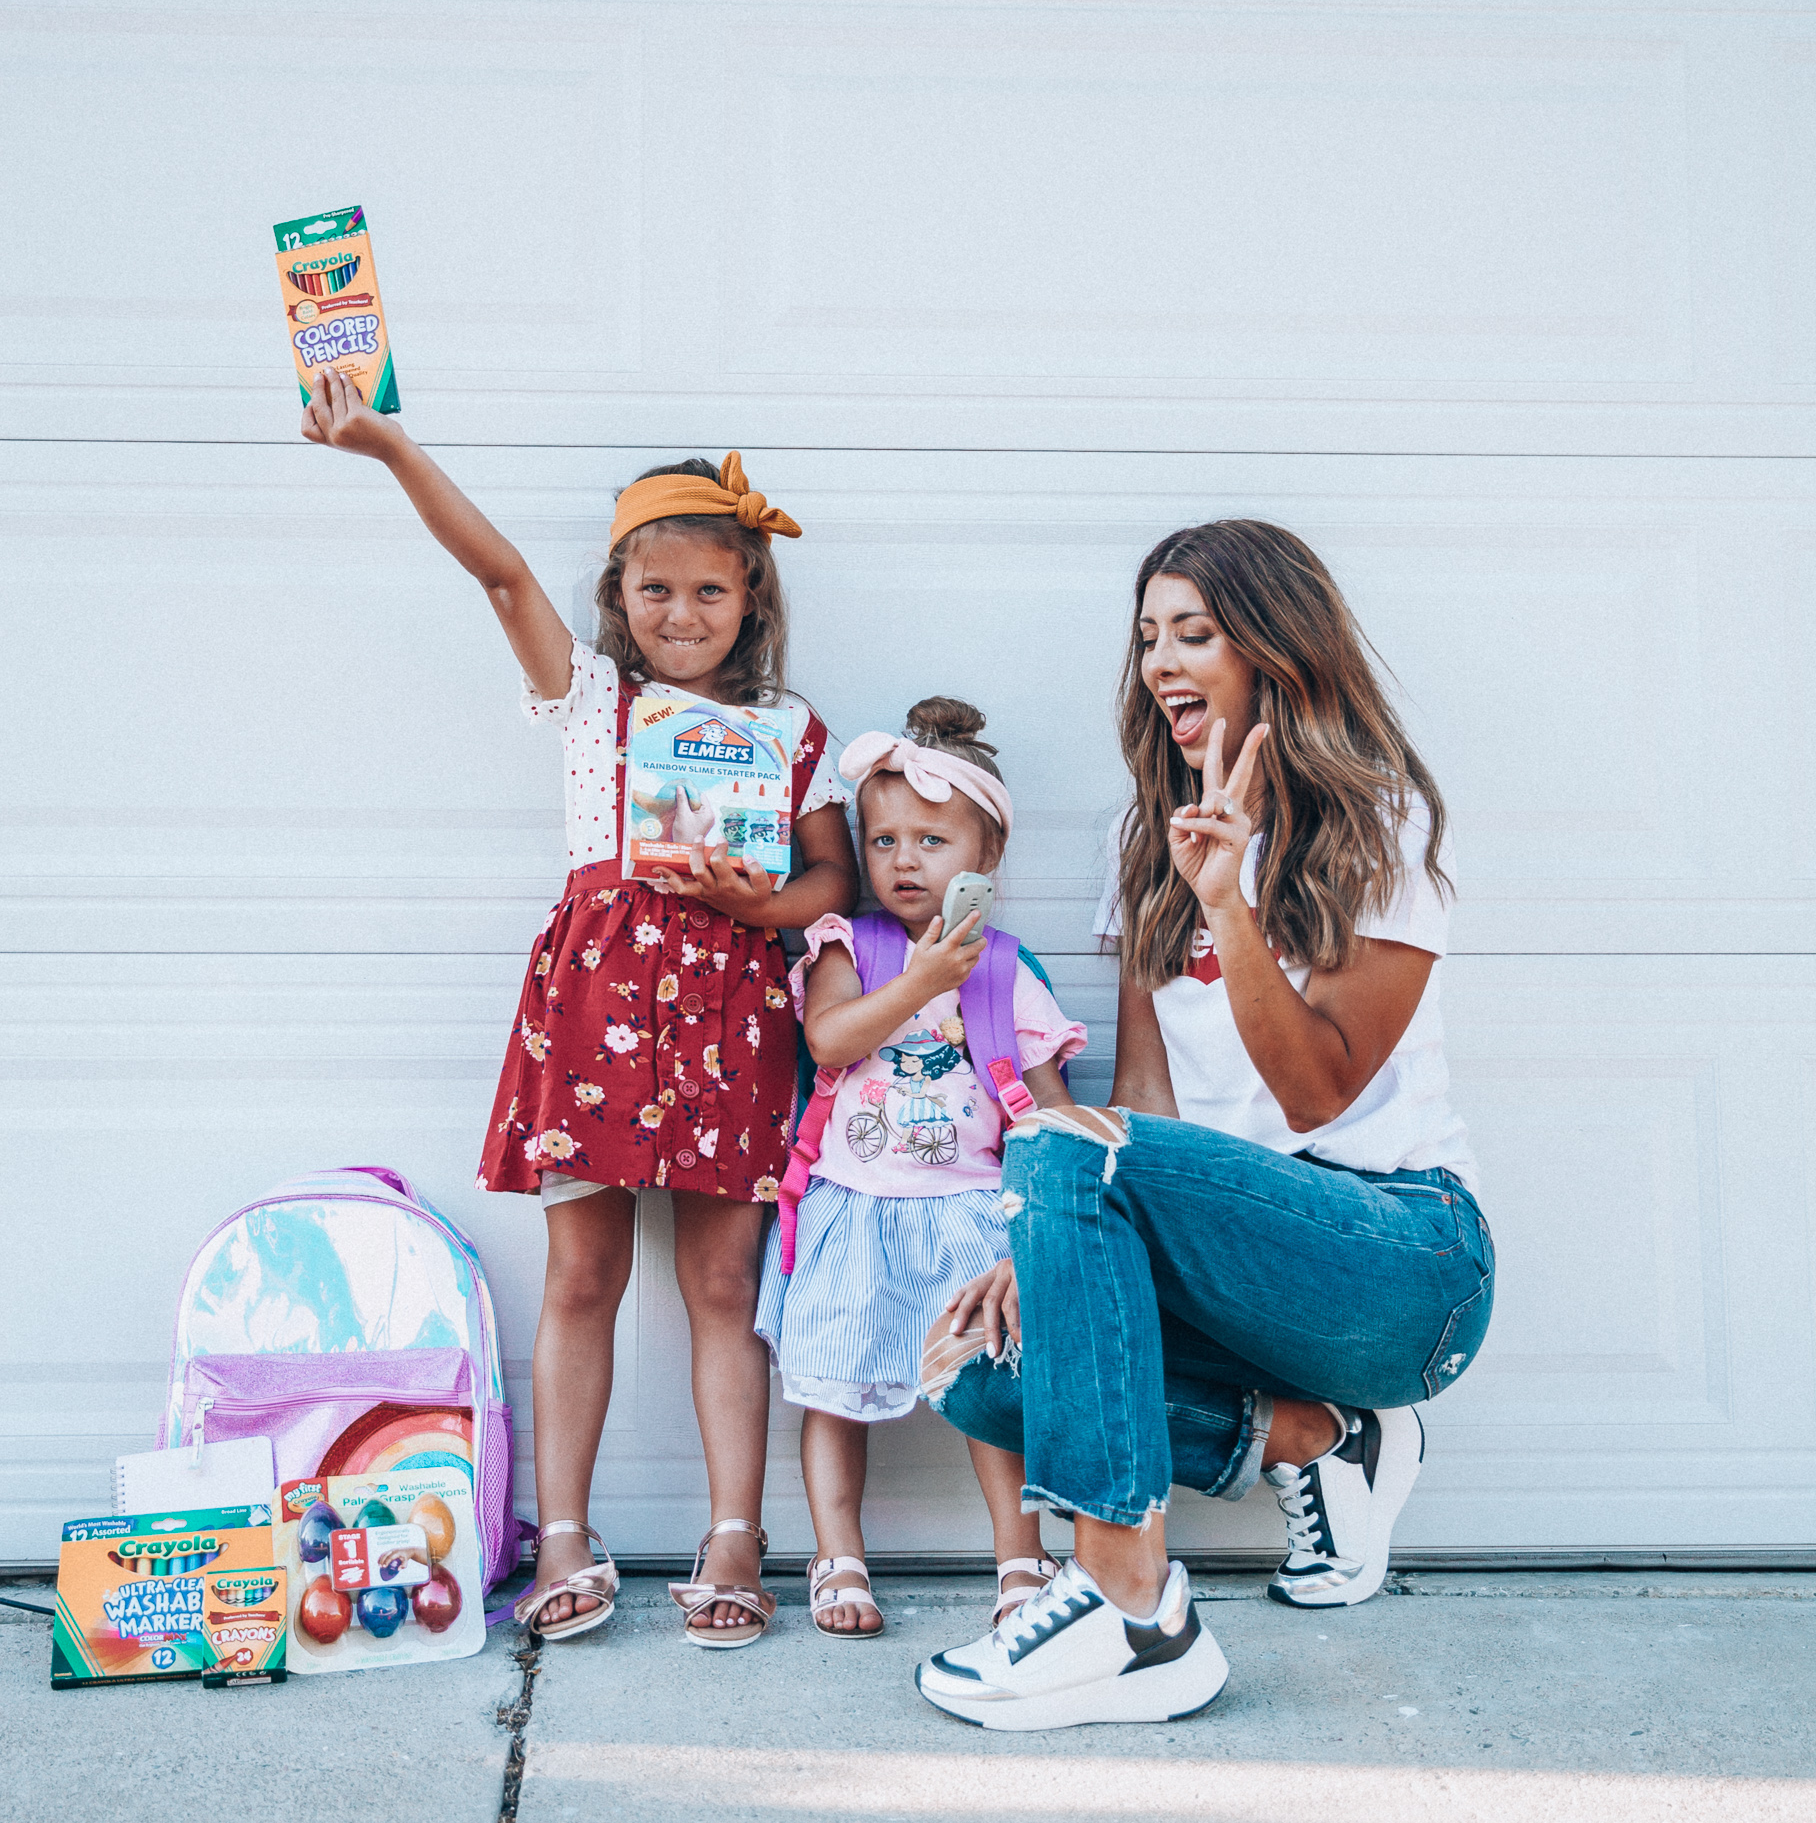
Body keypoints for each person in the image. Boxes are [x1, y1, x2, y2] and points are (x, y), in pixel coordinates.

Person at [300, 369, 858, 1648]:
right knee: (583, 1274)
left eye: (711, 588)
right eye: (654, 587)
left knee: (725, 1281)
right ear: (617, 595)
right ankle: (561, 1532)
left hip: (728, 1006)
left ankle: (732, 1530)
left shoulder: (791, 724)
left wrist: (756, 902)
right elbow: (497, 574)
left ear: (750, 599)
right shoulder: (589, 699)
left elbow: (830, 876)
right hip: (597, 1001)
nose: (681, 611)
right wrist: (388, 445)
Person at [917, 518, 1494, 1730]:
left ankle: (1133, 1608)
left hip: (1398, 1260)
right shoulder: (1143, 841)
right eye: (1146, 639)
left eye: (1194, 632)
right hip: (1230, 1266)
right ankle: (1318, 1438)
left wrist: (1227, 902)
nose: (1162, 663)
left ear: (1276, 648)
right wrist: (1048, 1255)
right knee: (978, 1375)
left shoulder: (1381, 827)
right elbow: (1144, 1105)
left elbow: (1315, 1094)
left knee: (1063, 1144)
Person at [755, 701, 1089, 1639]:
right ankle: (838, 1555)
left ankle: (1020, 1559)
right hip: (855, 1205)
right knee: (834, 1389)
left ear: (986, 863)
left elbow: (1050, 1106)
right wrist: (918, 983)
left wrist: (1058, 1215)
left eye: (932, 841)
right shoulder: (845, 946)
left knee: (991, 1393)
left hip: (972, 1216)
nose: (904, 861)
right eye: (885, 839)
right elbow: (829, 1040)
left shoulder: (1009, 970)